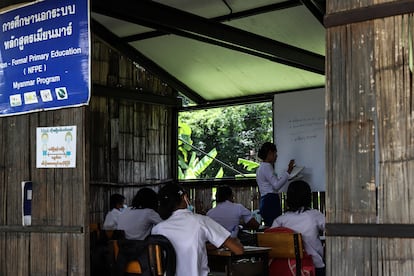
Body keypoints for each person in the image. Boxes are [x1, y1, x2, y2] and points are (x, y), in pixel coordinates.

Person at [151, 183, 244, 276]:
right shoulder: (201, 221)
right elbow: (238, 250)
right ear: (185, 198)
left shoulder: (157, 229)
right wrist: (237, 242)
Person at [270, 180, 325, 276]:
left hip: (286, 269)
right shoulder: (314, 215)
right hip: (313, 267)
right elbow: (332, 229)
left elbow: (271, 241)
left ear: (289, 198)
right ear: (308, 197)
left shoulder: (280, 221)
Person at [256, 142, 295, 226]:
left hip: (266, 200)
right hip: (270, 200)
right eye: (275, 153)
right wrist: (288, 171)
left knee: (272, 227)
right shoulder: (267, 166)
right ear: (270, 153)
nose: (276, 156)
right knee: (275, 228)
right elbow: (276, 185)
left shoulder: (262, 167)